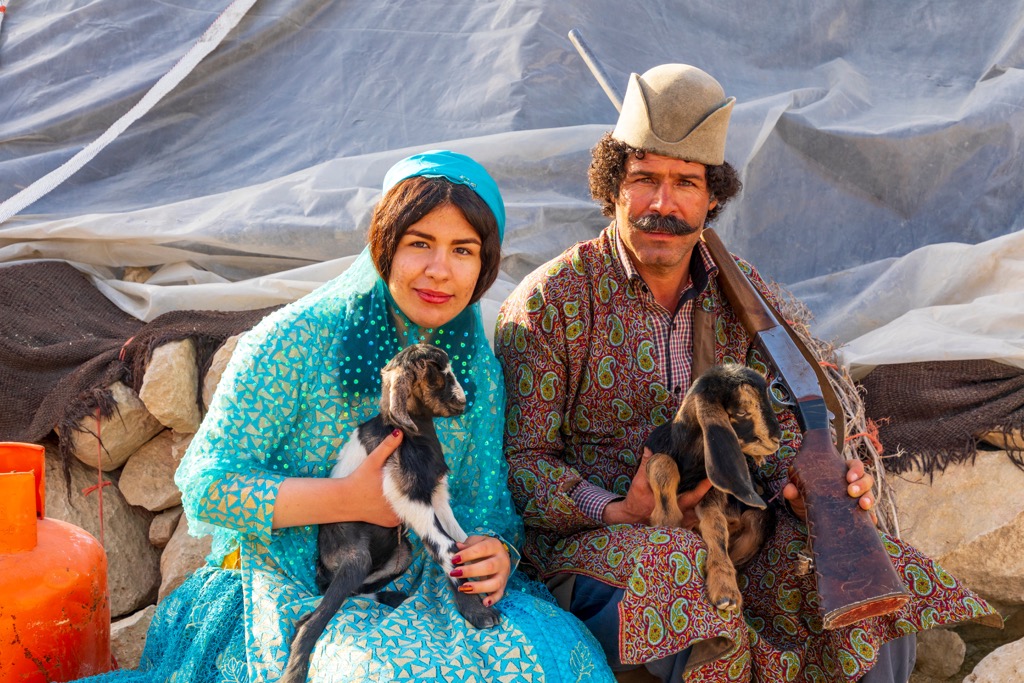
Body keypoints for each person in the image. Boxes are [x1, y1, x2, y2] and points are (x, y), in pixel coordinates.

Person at [494, 65, 998, 683]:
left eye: (685, 183)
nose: (662, 204)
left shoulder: (745, 296)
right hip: (597, 547)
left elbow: (783, 423)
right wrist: (617, 509)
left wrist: (821, 479)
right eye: (644, 180)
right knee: (679, 576)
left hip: (738, 526)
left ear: (713, 197)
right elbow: (520, 462)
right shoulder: (551, 302)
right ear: (612, 190)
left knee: (867, 580)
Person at [79, 151, 615, 682]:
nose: (439, 270)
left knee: (543, 662)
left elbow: (485, 508)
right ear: (384, 246)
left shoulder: (472, 368)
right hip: (299, 583)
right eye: (419, 244)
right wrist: (348, 499)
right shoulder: (295, 342)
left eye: (463, 250)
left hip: (428, 580)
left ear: (485, 266)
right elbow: (206, 485)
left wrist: (494, 553)